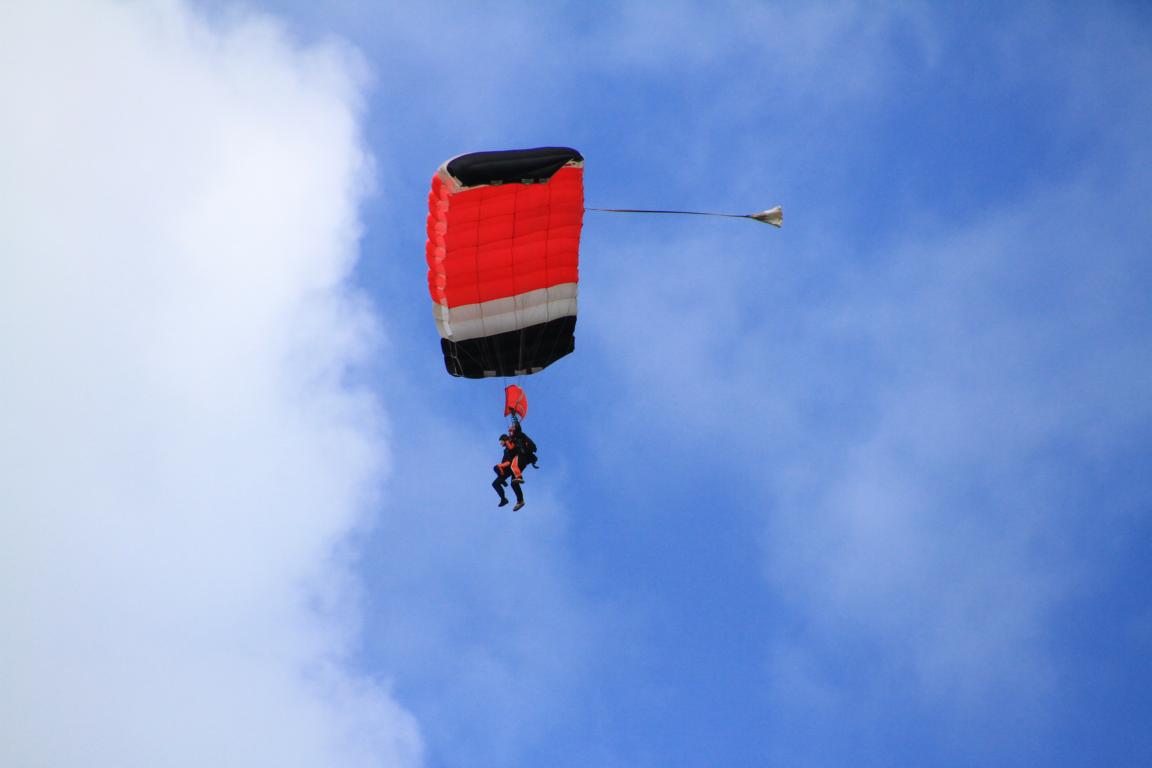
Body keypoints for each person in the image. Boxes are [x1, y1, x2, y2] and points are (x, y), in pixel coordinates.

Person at [493, 434, 525, 510]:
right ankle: (503, 499)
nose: (500, 443)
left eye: (501, 441)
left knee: (514, 483)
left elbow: (510, 457)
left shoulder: (511, 445)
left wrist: (508, 441)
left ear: (504, 440)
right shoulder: (505, 450)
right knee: (495, 483)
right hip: (506, 469)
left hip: (512, 466)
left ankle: (520, 501)